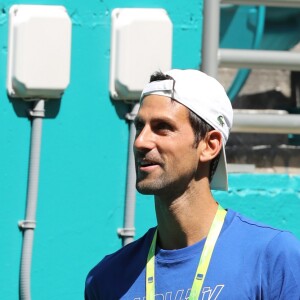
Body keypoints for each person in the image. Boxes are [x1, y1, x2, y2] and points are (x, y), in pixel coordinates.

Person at [85, 69, 300, 299]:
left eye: (162, 127)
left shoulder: (272, 257)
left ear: (210, 145)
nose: (140, 141)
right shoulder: (106, 278)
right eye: (140, 126)